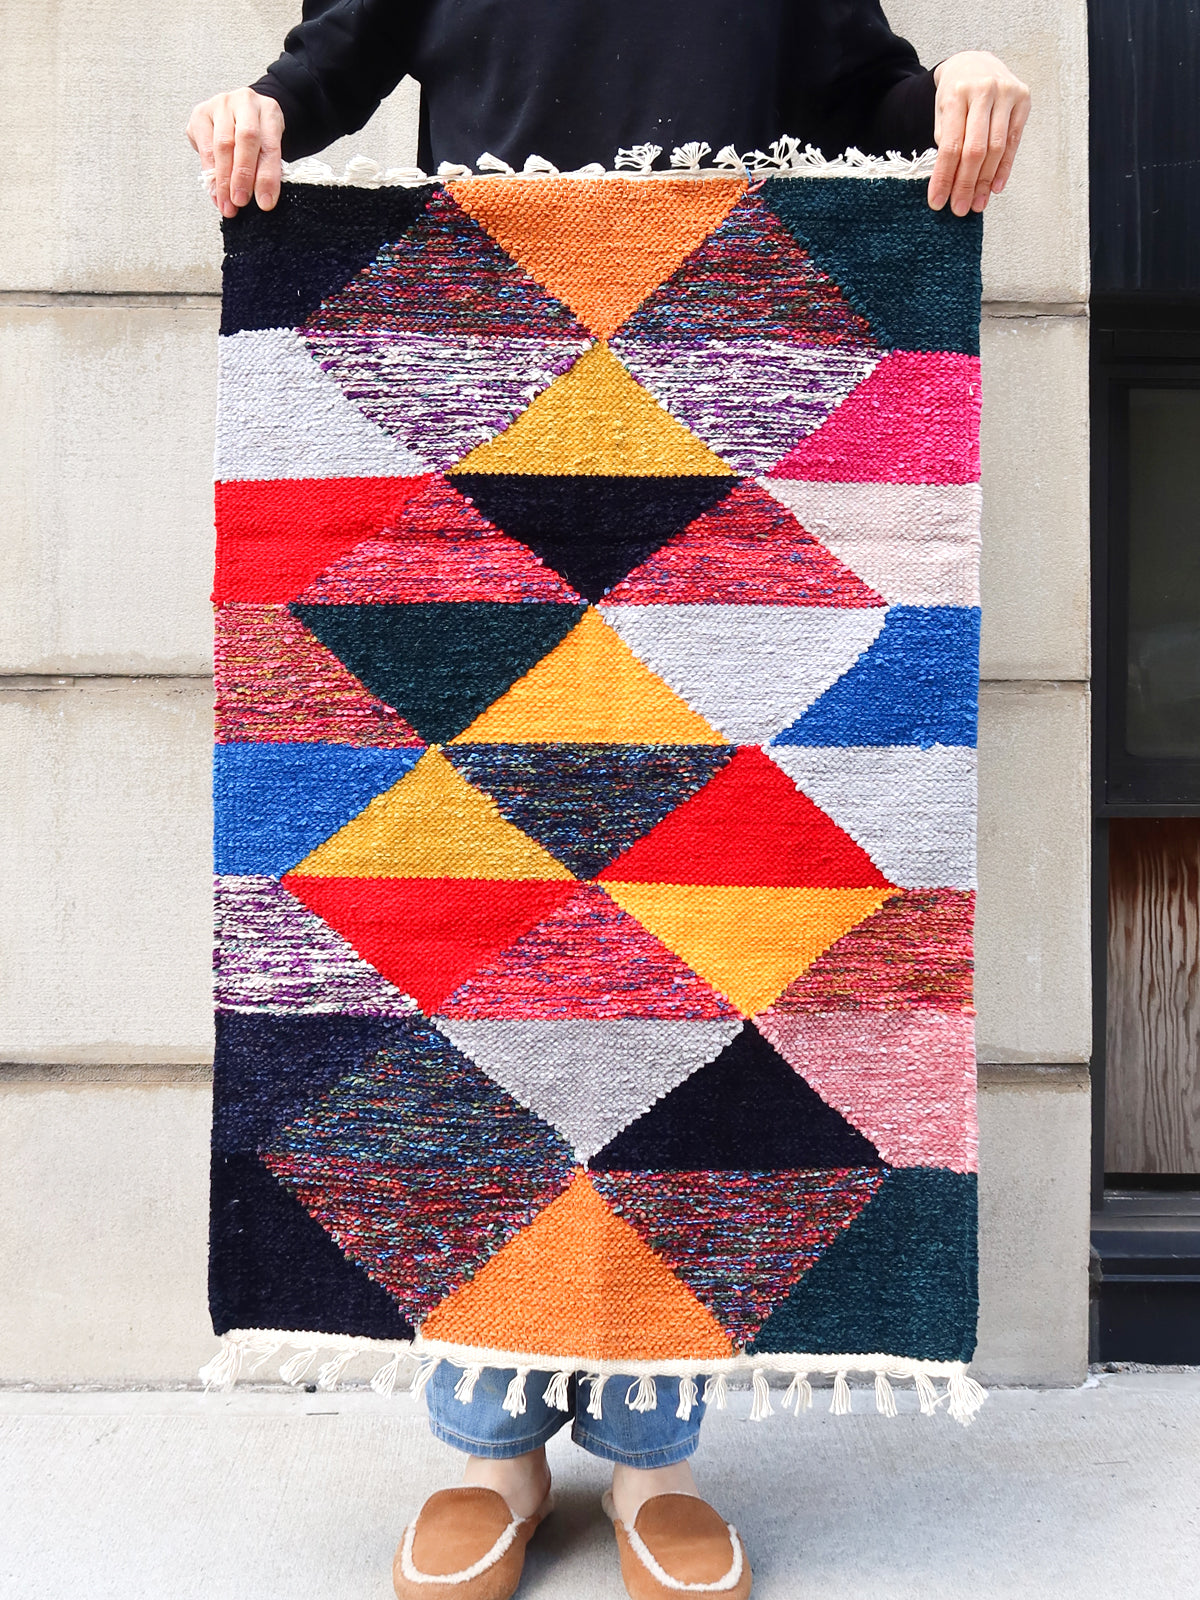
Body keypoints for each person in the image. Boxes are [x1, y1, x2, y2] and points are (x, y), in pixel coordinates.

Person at [189, 7, 1029, 1596]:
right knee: (462, 961)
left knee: (702, 957)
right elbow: (337, 56)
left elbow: (879, 92)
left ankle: (654, 1447)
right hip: (467, 454)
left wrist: (960, 89)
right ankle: (489, 1435)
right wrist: (259, 110)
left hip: (722, 449)